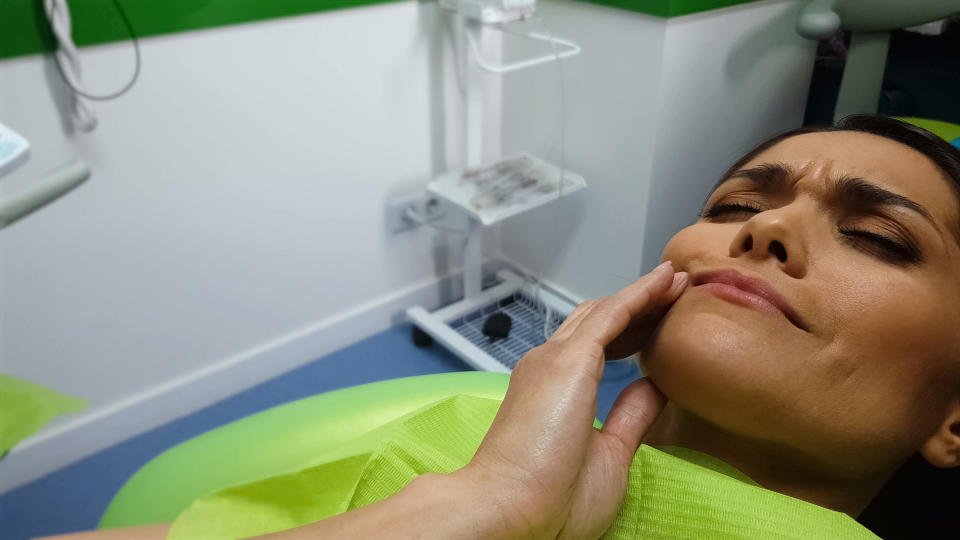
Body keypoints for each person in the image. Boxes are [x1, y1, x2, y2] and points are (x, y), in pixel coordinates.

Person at [42, 115, 960, 539]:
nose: (762, 228)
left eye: (878, 237)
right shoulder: (476, 452)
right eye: (732, 206)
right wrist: (483, 507)